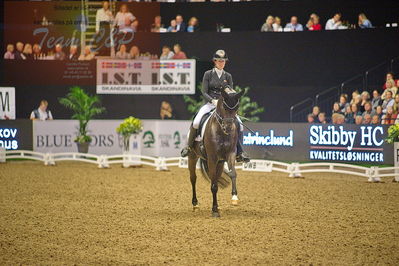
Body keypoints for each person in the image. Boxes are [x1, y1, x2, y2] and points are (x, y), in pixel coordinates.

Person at [181, 50, 250, 163]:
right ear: (215, 61)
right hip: (210, 104)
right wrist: (212, 100)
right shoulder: (208, 74)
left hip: (224, 106)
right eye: (219, 61)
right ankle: (189, 147)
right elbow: (204, 91)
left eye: (223, 61)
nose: (221, 63)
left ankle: (240, 152)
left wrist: (230, 102)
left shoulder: (228, 76)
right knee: (197, 121)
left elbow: (230, 92)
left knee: (239, 125)